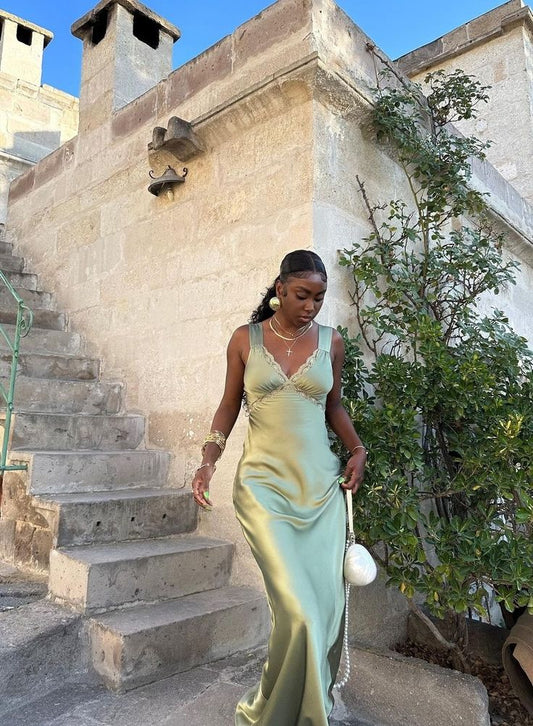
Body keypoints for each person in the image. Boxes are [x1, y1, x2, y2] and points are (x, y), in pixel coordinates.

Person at [190, 249, 367, 725]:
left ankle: (289, 704)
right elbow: (228, 405)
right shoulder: (244, 340)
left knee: (320, 610)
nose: (311, 306)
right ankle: (293, 713)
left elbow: (333, 406)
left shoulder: (331, 342)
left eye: (319, 298)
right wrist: (208, 461)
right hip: (263, 488)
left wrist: (357, 449)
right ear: (280, 289)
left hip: (321, 491)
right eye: (302, 295)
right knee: (299, 610)